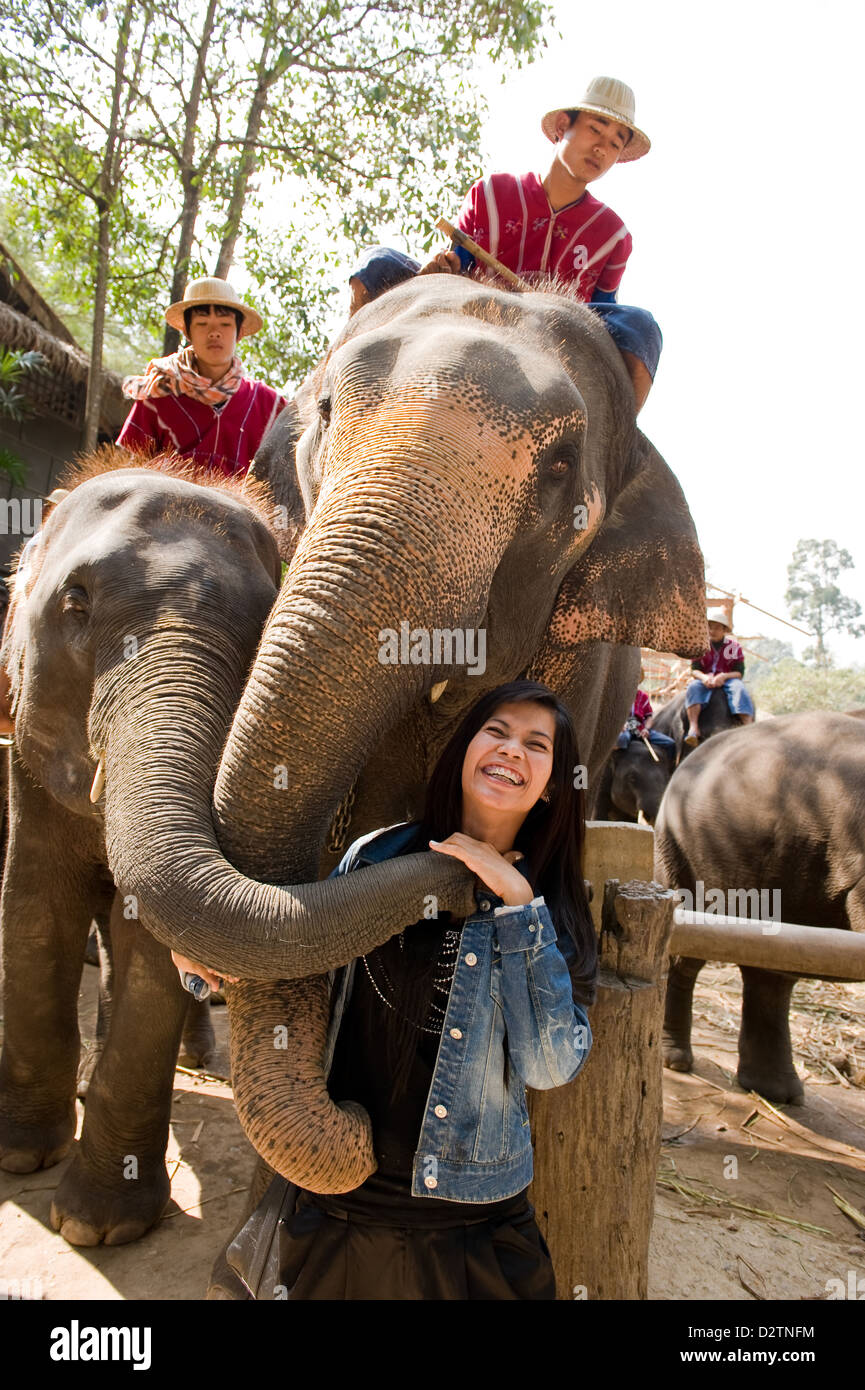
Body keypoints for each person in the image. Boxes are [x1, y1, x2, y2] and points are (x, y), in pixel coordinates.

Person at [173, 679, 596, 1300]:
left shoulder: (549, 907)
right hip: (343, 1199)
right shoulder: (377, 855)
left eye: (537, 745)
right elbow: (301, 957)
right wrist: (207, 941)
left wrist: (516, 904)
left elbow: (551, 1067)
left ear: (553, 784)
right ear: (465, 750)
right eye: (497, 732)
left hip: (470, 1220)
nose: (512, 751)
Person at [354, 76, 661, 412]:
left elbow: (604, 318)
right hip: (472, 313)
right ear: (563, 125)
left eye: (616, 143)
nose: (602, 148)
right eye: (595, 129)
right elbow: (458, 263)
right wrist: (441, 268)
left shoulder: (614, 236)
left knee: (641, 327)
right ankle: (343, 386)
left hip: (557, 340)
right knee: (378, 262)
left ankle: (616, 450)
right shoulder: (490, 193)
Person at [117, 278, 287, 477]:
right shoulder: (157, 393)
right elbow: (129, 476)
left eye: (224, 324)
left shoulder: (270, 406)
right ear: (187, 332)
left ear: (239, 332)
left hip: (240, 507)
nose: (214, 333)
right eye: (202, 324)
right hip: (167, 506)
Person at [684, 610, 755, 746]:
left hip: (728, 679)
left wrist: (724, 676)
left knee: (739, 688)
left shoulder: (734, 647)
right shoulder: (700, 646)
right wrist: (703, 677)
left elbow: (739, 673)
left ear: (724, 630)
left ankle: (749, 725)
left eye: (716, 628)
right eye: (710, 627)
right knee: (693, 687)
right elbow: (694, 670)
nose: (712, 631)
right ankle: (693, 727)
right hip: (705, 680)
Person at [616, 669, 676, 753]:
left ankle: (670, 764)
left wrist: (646, 729)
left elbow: (649, 717)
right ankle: (614, 761)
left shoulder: (643, 696)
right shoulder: (620, 695)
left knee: (670, 743)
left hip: (640, 728)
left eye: (637, 678)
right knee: (622, 738)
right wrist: (620, 725)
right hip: (626, 727)